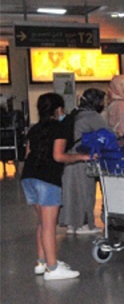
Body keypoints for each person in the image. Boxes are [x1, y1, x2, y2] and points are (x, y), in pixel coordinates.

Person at [22, 93, 92, 280]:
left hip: (29, 177)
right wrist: (82, 157)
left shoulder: (34, 129)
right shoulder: (59, 128)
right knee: (49, 226)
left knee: (42, 223)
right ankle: (53, 269)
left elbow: (28, 154)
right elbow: (59, 156)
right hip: (47, 179)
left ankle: (42, 262)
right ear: (59, 109)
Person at [60, 88, 110, 235]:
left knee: (71, 192)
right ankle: (85, 224)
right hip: (83, 159)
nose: (103, 104)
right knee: (85, 192)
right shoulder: (92, 116)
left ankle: (71, 224)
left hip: (69, 158)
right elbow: (109, 134)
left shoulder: (75, 113)